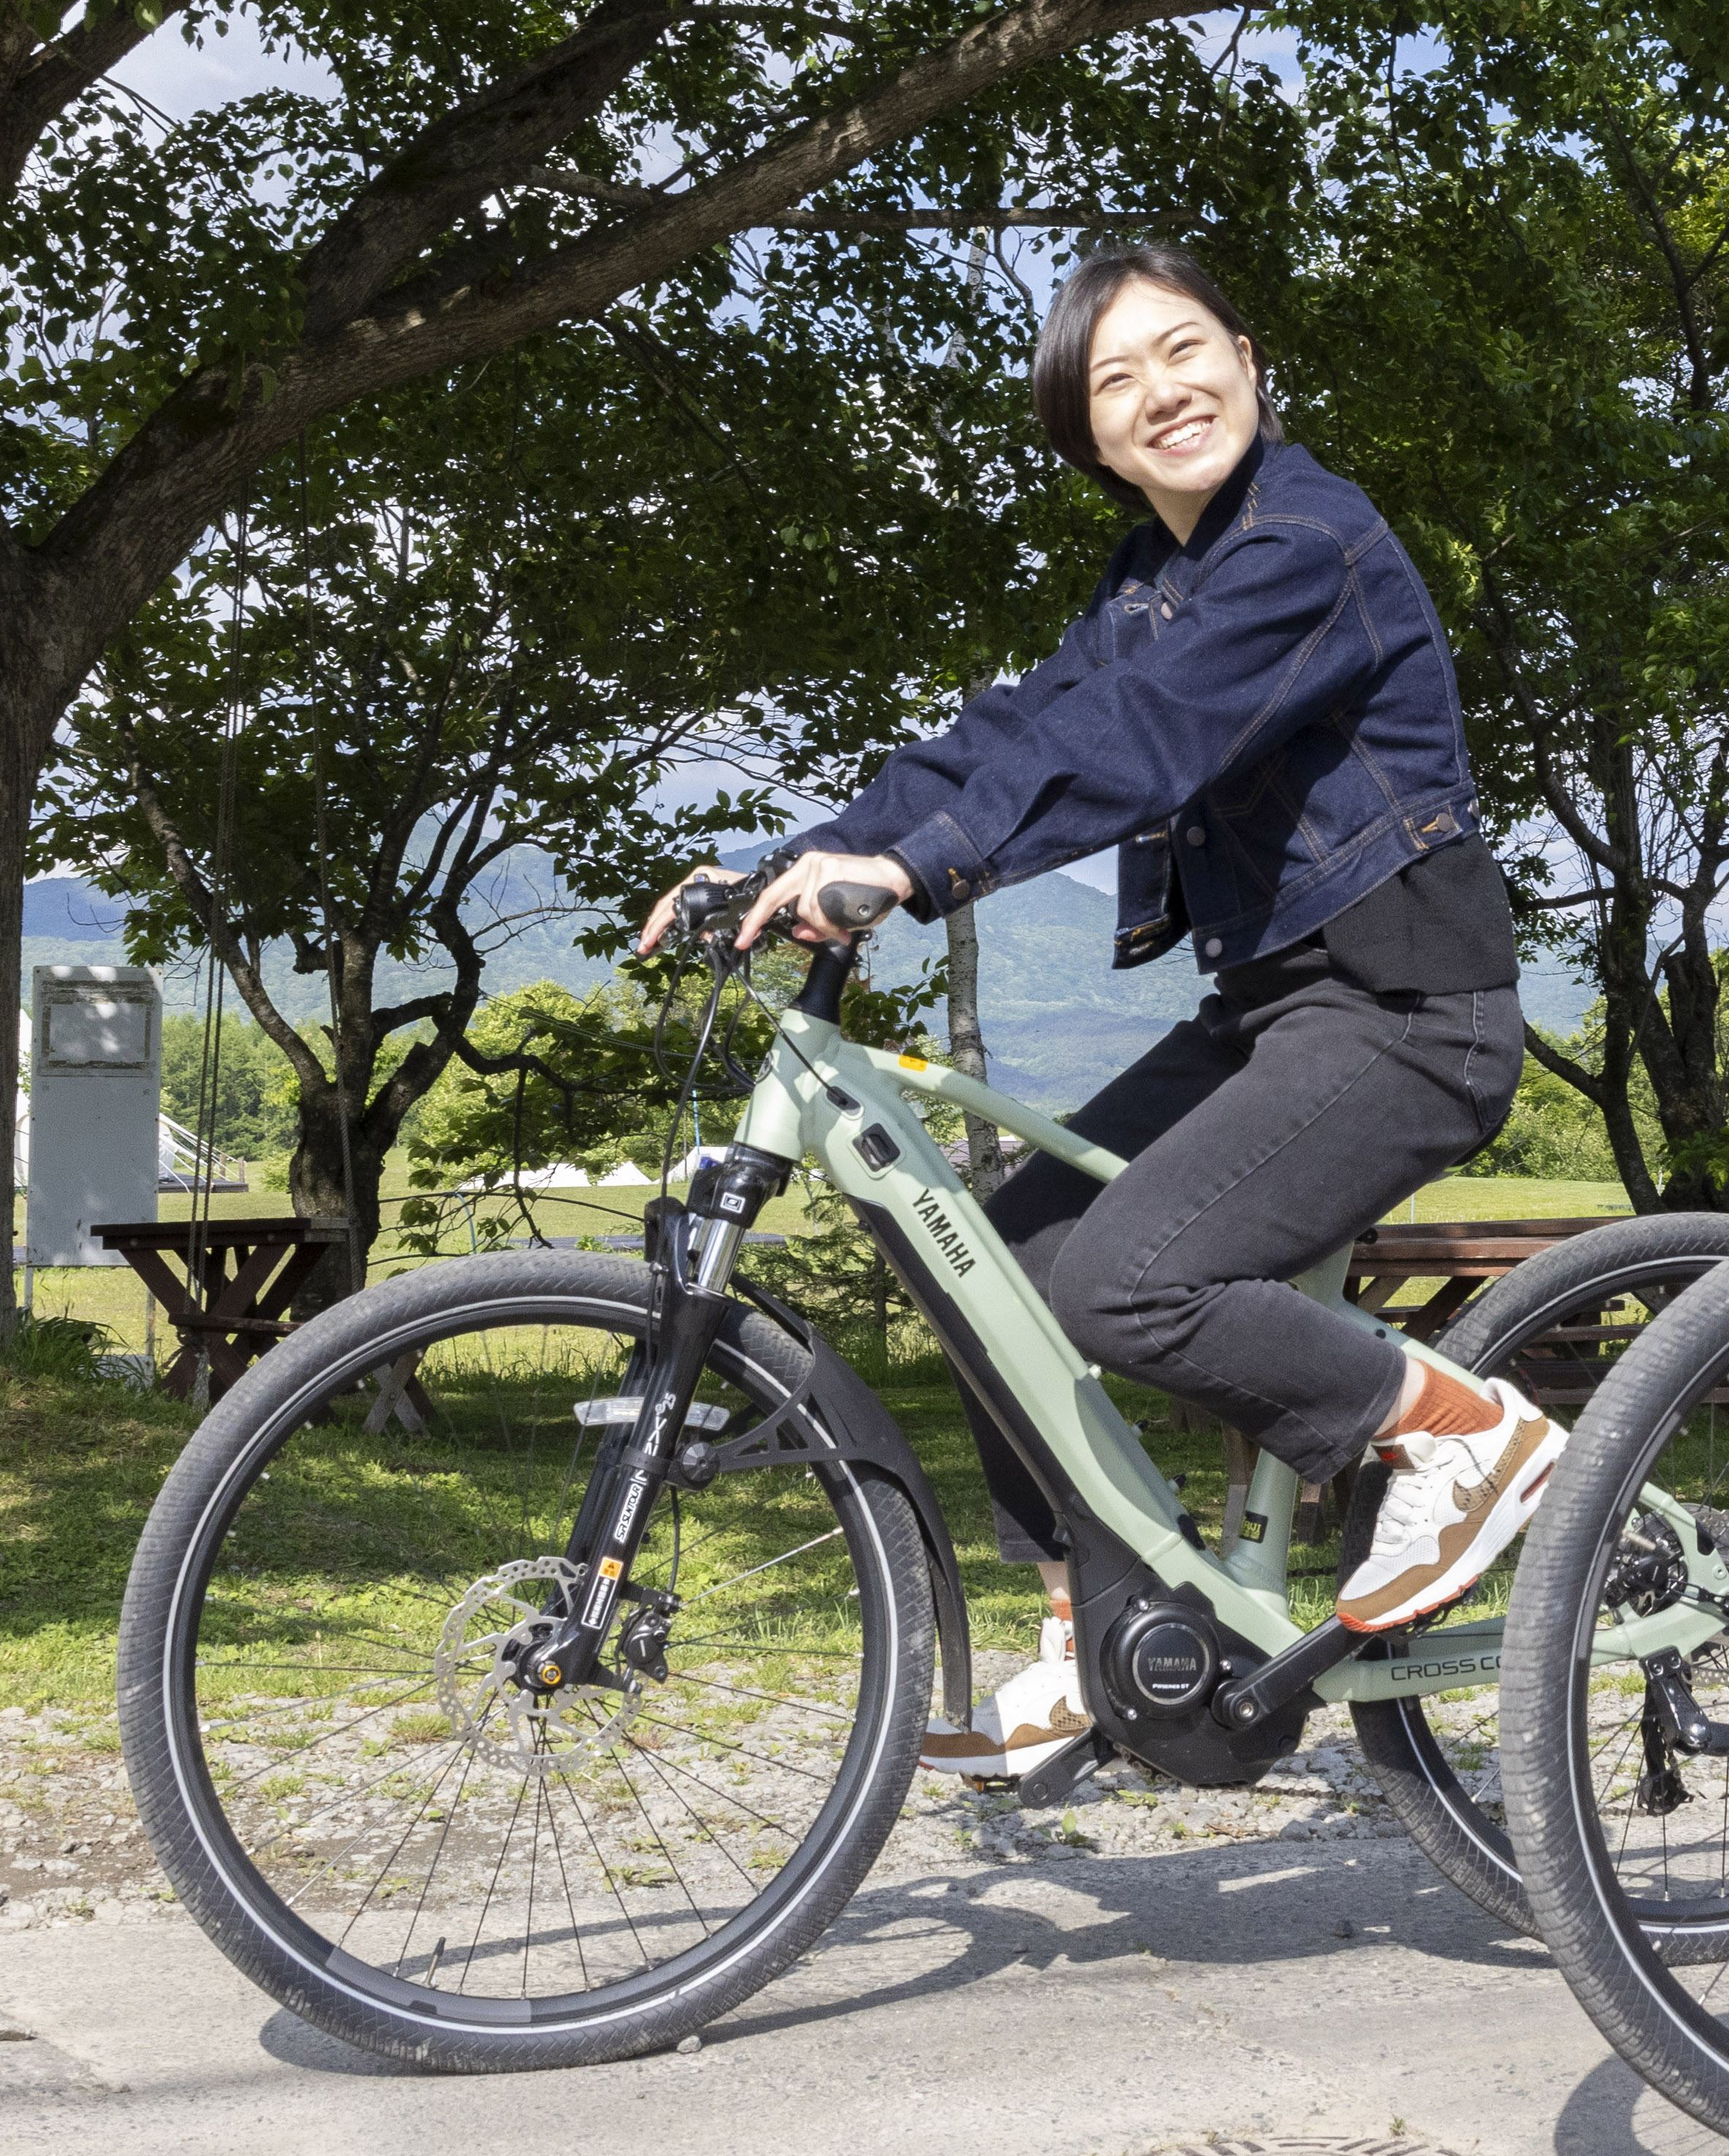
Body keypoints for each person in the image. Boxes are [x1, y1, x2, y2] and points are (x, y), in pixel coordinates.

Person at [646, 241, 1554, 1778]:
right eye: (1115, 381)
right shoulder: (1151, 580)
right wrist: (799, 860)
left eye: (1184, 352)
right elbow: (1014, 734)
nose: (1162, 394)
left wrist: (920, 875)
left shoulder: (1302, 547)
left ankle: (1463, 1431)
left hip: (1405, 1011)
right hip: (1278, 1006)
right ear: (1089, 435)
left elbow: (1144, 743)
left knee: (1125, 1281)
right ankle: (1097, 1636)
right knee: (1004, 1267)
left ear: (1250, 360)